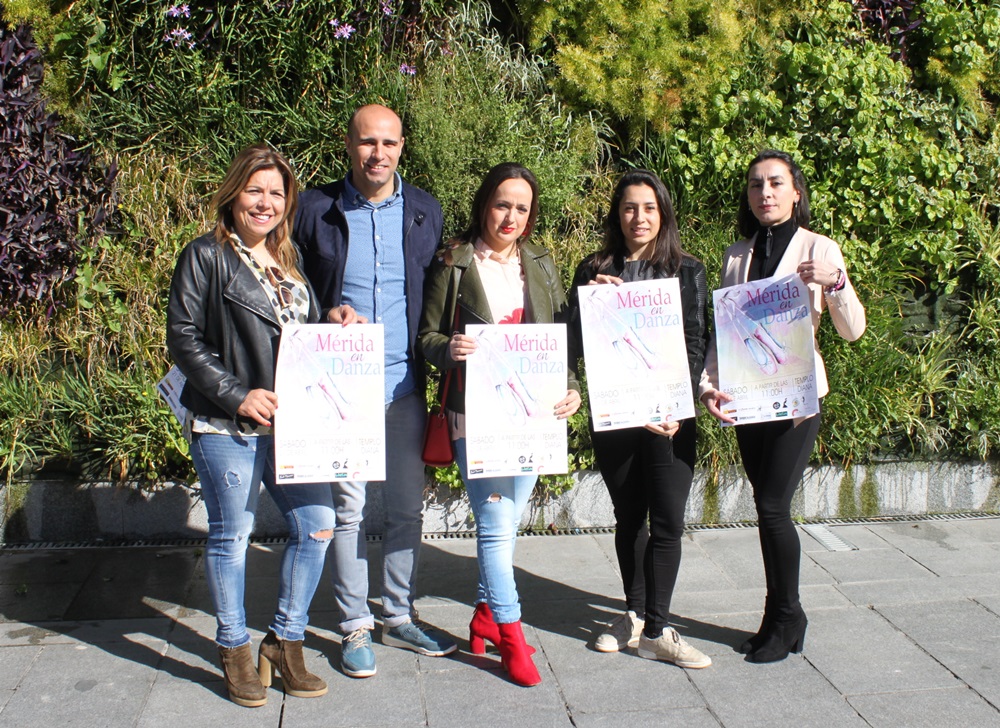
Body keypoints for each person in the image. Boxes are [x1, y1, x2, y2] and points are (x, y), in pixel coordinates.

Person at [166, 144, 334, 707]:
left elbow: (300, 335)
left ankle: (284, 643)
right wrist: (238, 396)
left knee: (317, 523)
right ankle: (235, 649)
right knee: (231, 536)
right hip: (227, 426)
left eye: (276, 193)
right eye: (255, 190)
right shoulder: (206, 256)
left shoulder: (288, 261)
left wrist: (332, 318)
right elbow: (183, 339)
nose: (265, 203)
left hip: (293, 427)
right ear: (235, 192)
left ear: (287, 204)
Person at [295, 104, 456, 679]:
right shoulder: (316, 209)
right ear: (348, 144)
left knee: (408, 508)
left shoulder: (423, 211)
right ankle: (354, 624)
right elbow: (291, 285)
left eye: (388, 143)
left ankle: (397, 613)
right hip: (342, 389)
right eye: (367, 142)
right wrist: (324, 313)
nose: (377, 154)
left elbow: (439, 293)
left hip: (405, 385)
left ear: (402, 146)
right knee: (349, 510)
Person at [418, 162, 582, 687]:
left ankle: (485, 617)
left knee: (509, 523)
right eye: (502, 204)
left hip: (533, 415)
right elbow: (425, 339)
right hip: (477, 414)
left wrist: (572, 387)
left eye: (521, 208)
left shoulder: (540, 261)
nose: (510, 216)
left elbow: (561, 334)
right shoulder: (455, 263)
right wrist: (452, 348)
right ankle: (511, 635)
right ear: (484, 203)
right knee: (493, 528)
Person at [700, 150, 866, 663]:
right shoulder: (736, 254)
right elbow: (721, 334)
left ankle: (789, 615)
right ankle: (777, 617)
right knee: (766, 510)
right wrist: (708, 385)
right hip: (750, 400)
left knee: (773, 507)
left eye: (775, 183)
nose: (765, 193)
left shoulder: (819, 248)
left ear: (796, 191)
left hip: (796, 401)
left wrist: (835, 283)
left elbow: (853, 329)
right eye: (755, 185)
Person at [569, 169, 712, 669]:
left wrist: (676, 404)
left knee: (668, 520)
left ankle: (658, 626)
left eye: (649, 208)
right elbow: (576, 343)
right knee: (629, 516)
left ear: (663, 212)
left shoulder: (687, 269)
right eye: (630, 207)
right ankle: (632, 612)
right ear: (617, 213)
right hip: (617, 415)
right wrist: (592, 301)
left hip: (670, 418)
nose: (640, 217)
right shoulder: (593, 268)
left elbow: (696, 341)